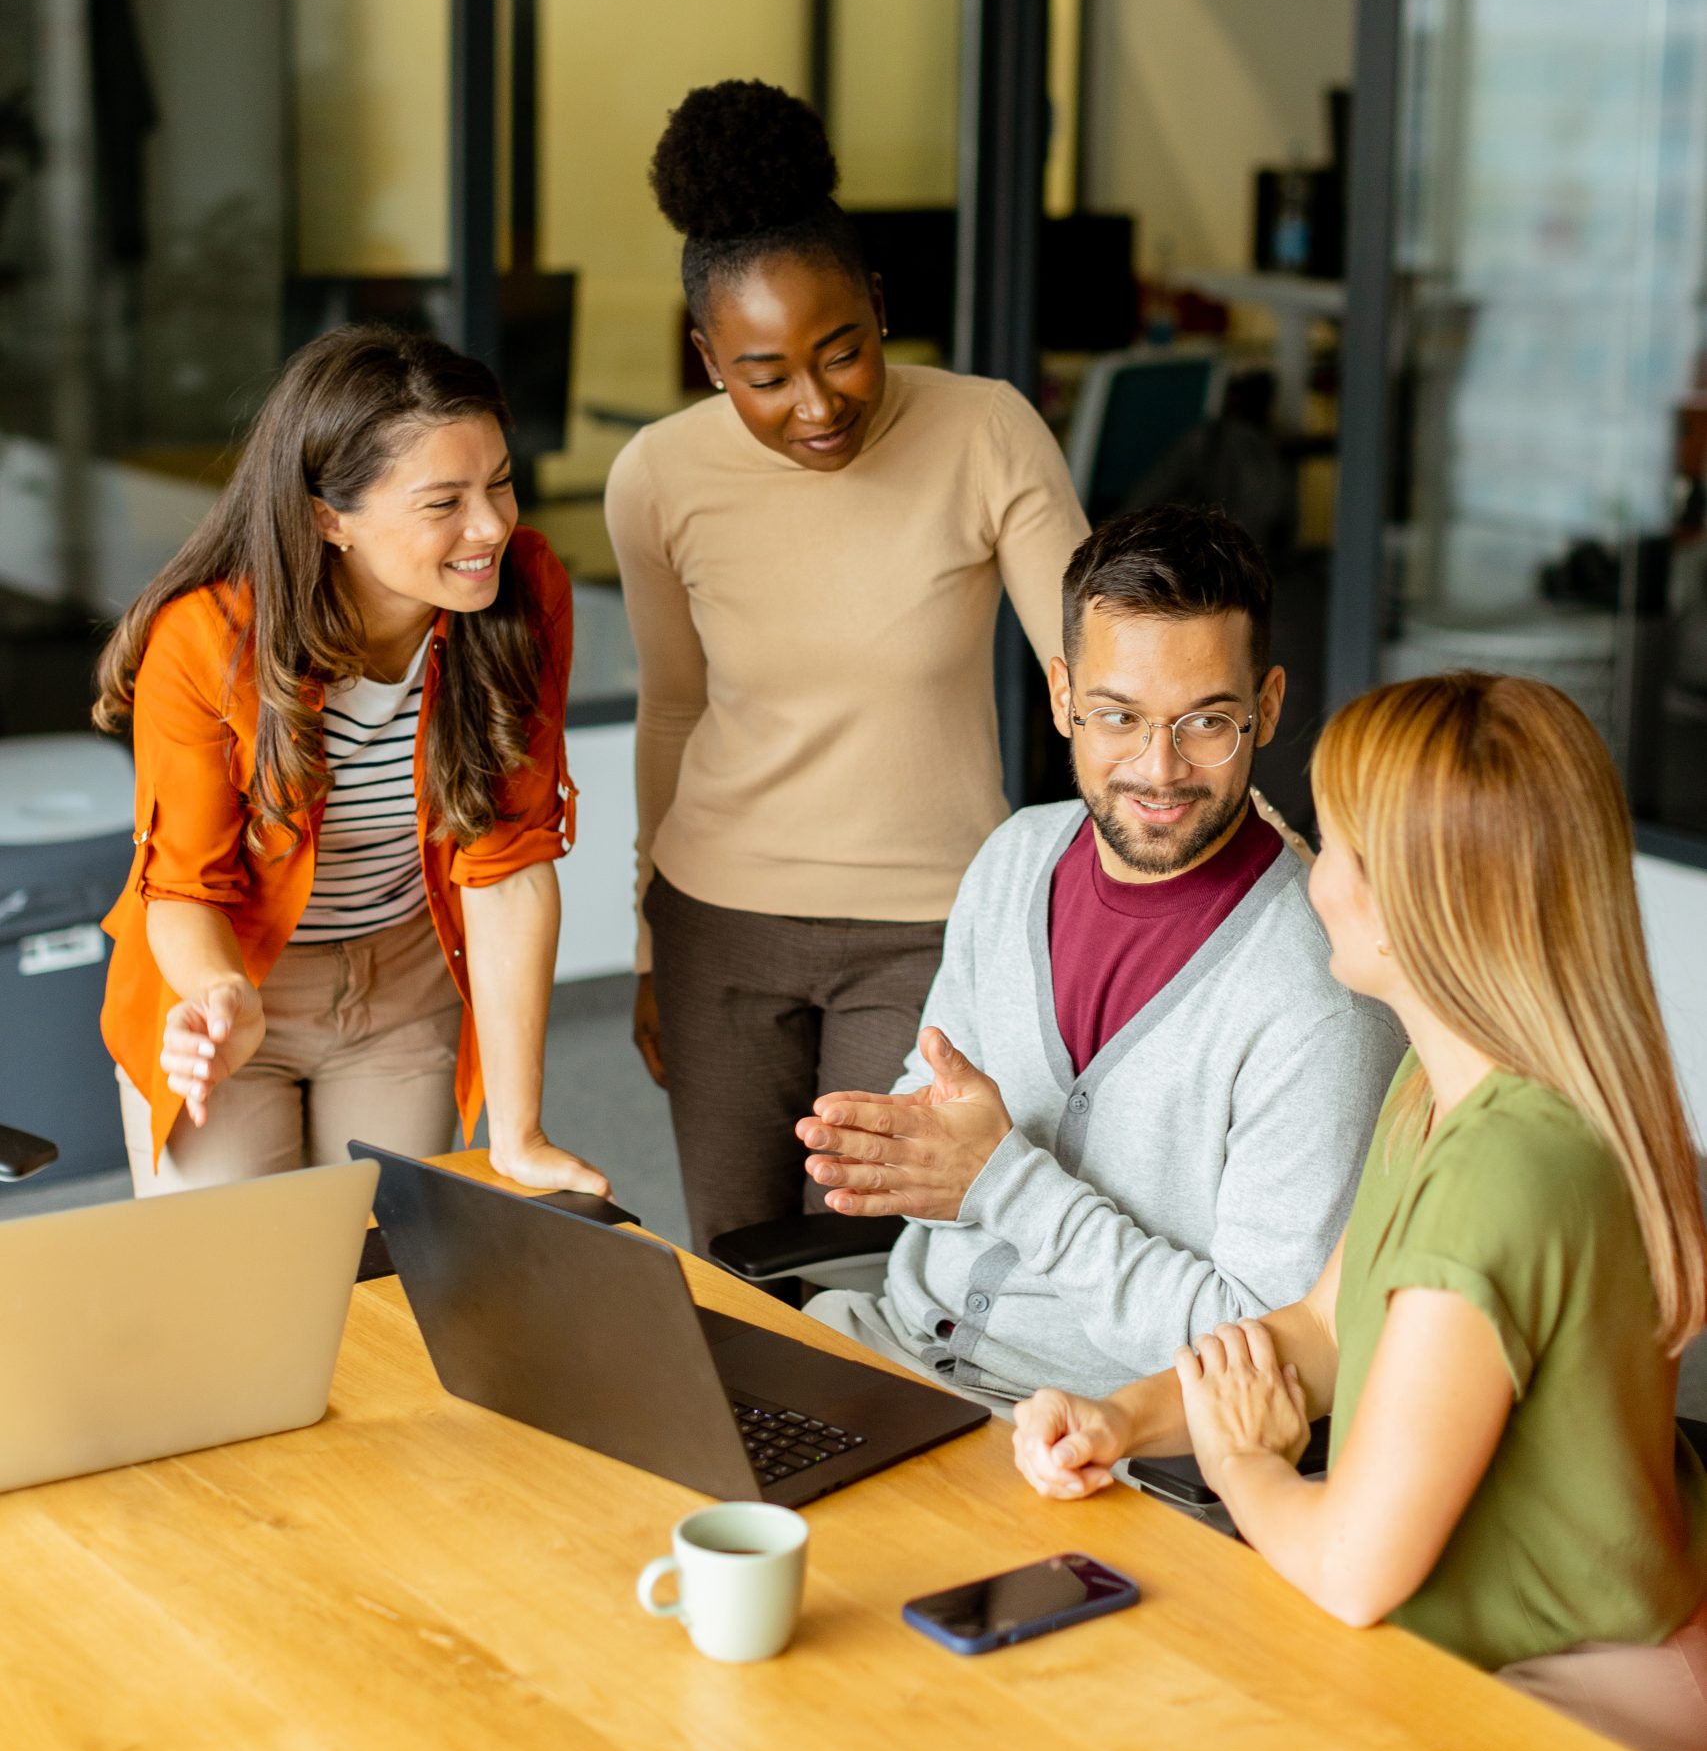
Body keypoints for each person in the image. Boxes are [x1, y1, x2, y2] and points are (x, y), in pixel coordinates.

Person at [1011, 672, 1707, 1751]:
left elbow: (1351, 1567)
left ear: (1415, 900)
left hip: (1560, 1681)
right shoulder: (1441, 1086)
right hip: (1495, 1625)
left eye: (1331, 846)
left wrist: (1246, 1468)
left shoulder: (1506, 1174)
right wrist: (1123, 1417)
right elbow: (1326, 1331)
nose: (1308, 872)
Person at [603, 79, 1088, 1253]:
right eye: (765, 375)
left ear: (879, 308)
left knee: (879, 1266)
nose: (815, 404)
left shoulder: (986, 431)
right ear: (707, 358)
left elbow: (1095, 675)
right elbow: (671, 711)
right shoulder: (657, 479)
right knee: (740, 1254)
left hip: (925, 925)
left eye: (844, 352)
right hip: (718, 919)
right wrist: (650, 940)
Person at [794, 505, 1402, 1406]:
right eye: (1118, 716)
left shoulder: (1320, 1000)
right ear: (1062, 695)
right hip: (890, 1343)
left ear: (1266, 708)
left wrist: (1002, 1183)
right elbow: (935, 1117)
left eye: (1206, 723)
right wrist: (899, 1144)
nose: (1158, 770)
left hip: (1098, 1433)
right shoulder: (1013, 859)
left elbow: (1265, 1354)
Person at [96, 324, 609, 1199]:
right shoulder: (209, 637)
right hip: (238, 982)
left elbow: (507, 864)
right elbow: (181, 887)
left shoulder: (523, 590)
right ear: (328, 517)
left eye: (500, 483)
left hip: (404, 983)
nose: (490, 526)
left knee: (378, 1268)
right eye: (443, 503)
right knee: (233, 1282)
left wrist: (519, 1134)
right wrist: (223, 997)